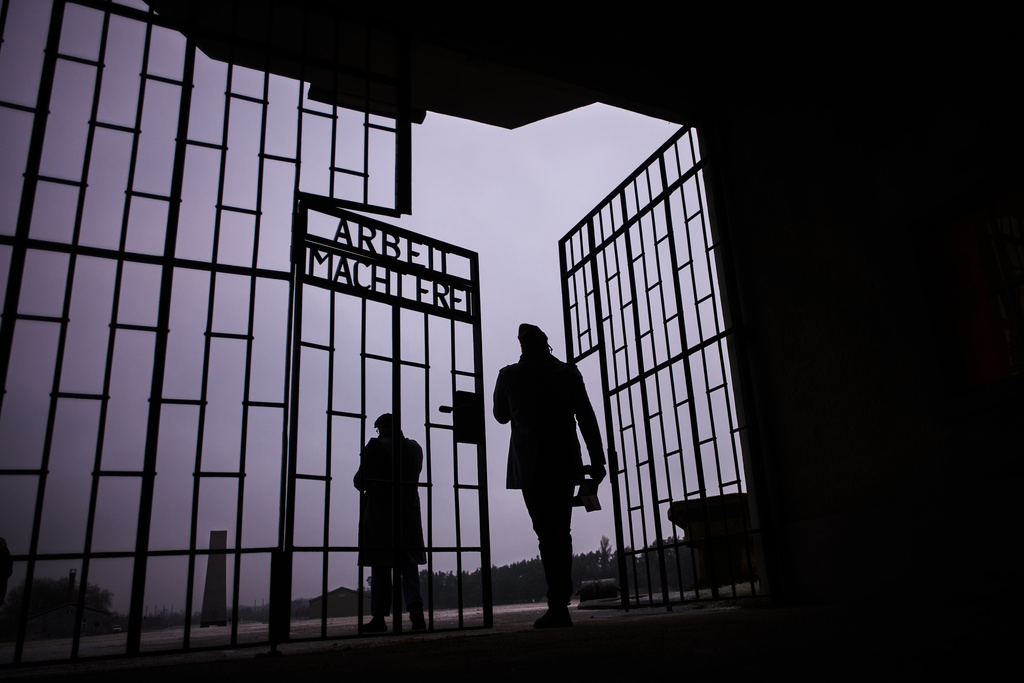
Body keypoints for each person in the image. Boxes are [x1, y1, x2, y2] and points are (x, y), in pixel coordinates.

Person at [493, 323, 606, 628]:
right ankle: (559, 602)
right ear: (547, 344)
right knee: (561, 531)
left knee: (545, 534)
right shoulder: (567, 373)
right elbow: (587, 417)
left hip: (530, 466)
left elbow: (500, 416)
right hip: (563, 462)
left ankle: (557, 604)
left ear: (522, 346)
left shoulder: (509, 375)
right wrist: (598, 462)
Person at [353, 413, 427, 633]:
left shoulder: (376, 447)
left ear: (382, 428)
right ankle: (416, 612)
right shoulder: (414, 448)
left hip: (380, 515)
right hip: (408, 514)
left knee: (380, 566)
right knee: (409, 564)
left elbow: (360, 482)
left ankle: (379, 617)